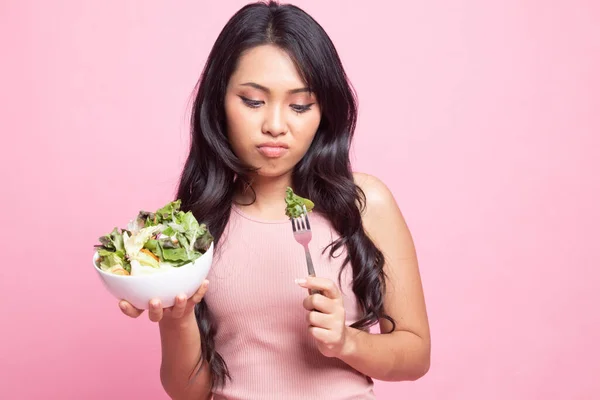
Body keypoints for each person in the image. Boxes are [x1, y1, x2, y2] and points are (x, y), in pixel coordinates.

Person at [118, 1, 431, 398]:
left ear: (325, 112)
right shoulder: (191, 227)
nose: (276, 126)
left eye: (300, 105)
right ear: (219, 103)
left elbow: (416, 355)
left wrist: (347, 342)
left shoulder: (365, 202)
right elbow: (189, 393)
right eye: (253, 101)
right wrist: (176, 319)